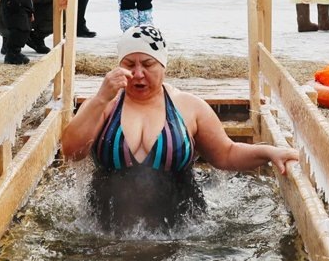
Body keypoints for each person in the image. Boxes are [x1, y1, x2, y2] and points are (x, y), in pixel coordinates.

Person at [60, 25, 299, 231]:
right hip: (105, 231)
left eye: (148, 64)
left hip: (181, 233)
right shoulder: (104, 105)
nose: (138, 73)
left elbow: (226, 154)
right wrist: (101, 97)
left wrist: (268, 152)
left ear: (163, 64)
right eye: (129, 64)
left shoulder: (189, 107)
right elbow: (70, 151)